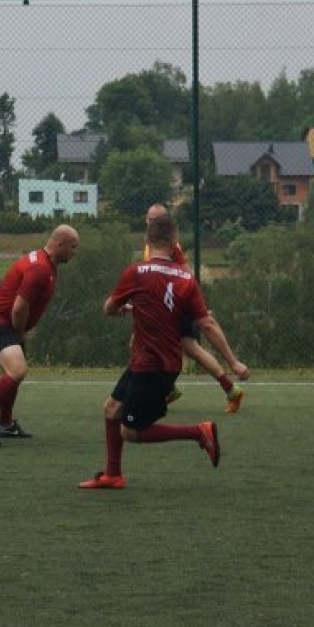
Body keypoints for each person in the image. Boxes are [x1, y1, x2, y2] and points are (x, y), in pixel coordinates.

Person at [81, 215, 247, 489]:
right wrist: (233, 361)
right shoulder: (187, 279)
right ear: (174, 243)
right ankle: (113, 475)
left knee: (132, 432)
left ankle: (198, 432)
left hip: (151, 366)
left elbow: (109, 308)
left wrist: (123, 307)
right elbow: (206, 323)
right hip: (156, 362)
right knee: (111, 409)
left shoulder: (135, 272)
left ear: (147, 240)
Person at [0, 224, 81, 446]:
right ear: (59, 244)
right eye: (73, 247)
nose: (74, 252)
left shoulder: (45, 263)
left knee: (16, 373)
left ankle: (5, 423)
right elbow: (19, 308)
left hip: (8, 324)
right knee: (18, 370)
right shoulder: (40, 269)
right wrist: (21, 332)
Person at [144, 203, 249, 414]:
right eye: (150, 219)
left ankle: (227, 384)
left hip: (174, 306)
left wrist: (193, 307)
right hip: (165, 305)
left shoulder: (172, 247)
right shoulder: (151, 245)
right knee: (180, 348)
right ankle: (173, 389)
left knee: (187, 348)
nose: (152, 223)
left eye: (157, 220)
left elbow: (184, 275)